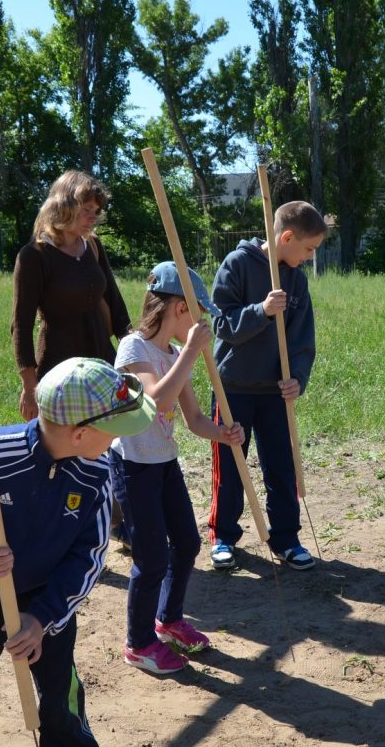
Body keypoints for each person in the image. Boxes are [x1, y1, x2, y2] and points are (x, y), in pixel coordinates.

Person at [0, 357, 156, 747]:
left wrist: (41, 619)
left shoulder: (96, 472)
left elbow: (89, 556)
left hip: (48, 596)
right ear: (79, 433)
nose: (115, 440)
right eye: (111, 431)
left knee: (62, 696)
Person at [109, 263, 244, 674]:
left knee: (186, 543)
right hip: (133, 465)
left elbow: (192, 419)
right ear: (180, 308)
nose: (202, 322)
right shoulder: (134, 350)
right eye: (199, 312)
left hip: (164, 462)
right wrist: (189, 353)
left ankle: (168, 620)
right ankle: (139, 644)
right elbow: (156, 403)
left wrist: (224, 434)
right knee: (151, 559)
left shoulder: (170, 353)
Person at [12, 170, 132, 548]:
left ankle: (116, 522)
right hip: (59, 370)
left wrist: (134, 350)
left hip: (101, 361)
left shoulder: (93, 247)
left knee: (110, 443)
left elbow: (114, 300)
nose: (93, 216)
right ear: (63, 205)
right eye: (86, 208)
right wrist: (29, 386)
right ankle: (56, 532)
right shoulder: (35, 256)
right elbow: (21, 323)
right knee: (63, 451)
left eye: (97, 210)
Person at [207, 201, 327, 571]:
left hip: (275, 392)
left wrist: (298, 379)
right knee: (230, 466)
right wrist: (261, 311)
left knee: (281, 466)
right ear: (287, 237)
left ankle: (287, 538)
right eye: (308, 249)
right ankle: (223, 536)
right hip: (234, 387)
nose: (309, 257)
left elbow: (302, 339)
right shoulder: (237, 265)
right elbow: (222, 324)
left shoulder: (296, 279)